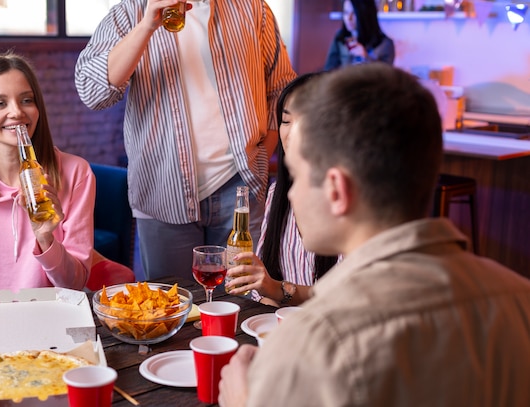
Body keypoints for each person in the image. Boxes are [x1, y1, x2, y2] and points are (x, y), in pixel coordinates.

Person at [219, 63, 530, 406]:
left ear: (336, 189)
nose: (290, 194)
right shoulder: (519, 299)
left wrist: (244, 400)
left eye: (299, 173)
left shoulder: (315, 342)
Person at [74, 0, 296, 280]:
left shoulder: (252, 9)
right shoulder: (130, 11)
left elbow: (280, 88)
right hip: (163, 189)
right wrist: (146, 26)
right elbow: (91, 92)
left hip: (240, 185)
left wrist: (263, 153)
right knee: (171, 308)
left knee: (242, 304)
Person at [0, 52, 96, 299]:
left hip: (54, 322)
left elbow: (74, 285)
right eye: (0, 103)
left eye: (26, 100)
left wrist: (46, 238)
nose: (17, 112)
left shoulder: (77, 173)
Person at [224, 73, 338, 306]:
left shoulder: (350, 203)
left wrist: (279, 291)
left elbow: (351, 297)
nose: (291, 132)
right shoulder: (278, 193)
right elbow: (266, 287)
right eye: (286, 121)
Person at [323, 0, 395, 71]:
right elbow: (328, 71)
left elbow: (385, 78)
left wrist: (365, 57)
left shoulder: (384, 44)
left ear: (365, 13)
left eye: (354, 13)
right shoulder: (340, 38)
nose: (349, 18)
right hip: (344, 82)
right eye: (346, 13)